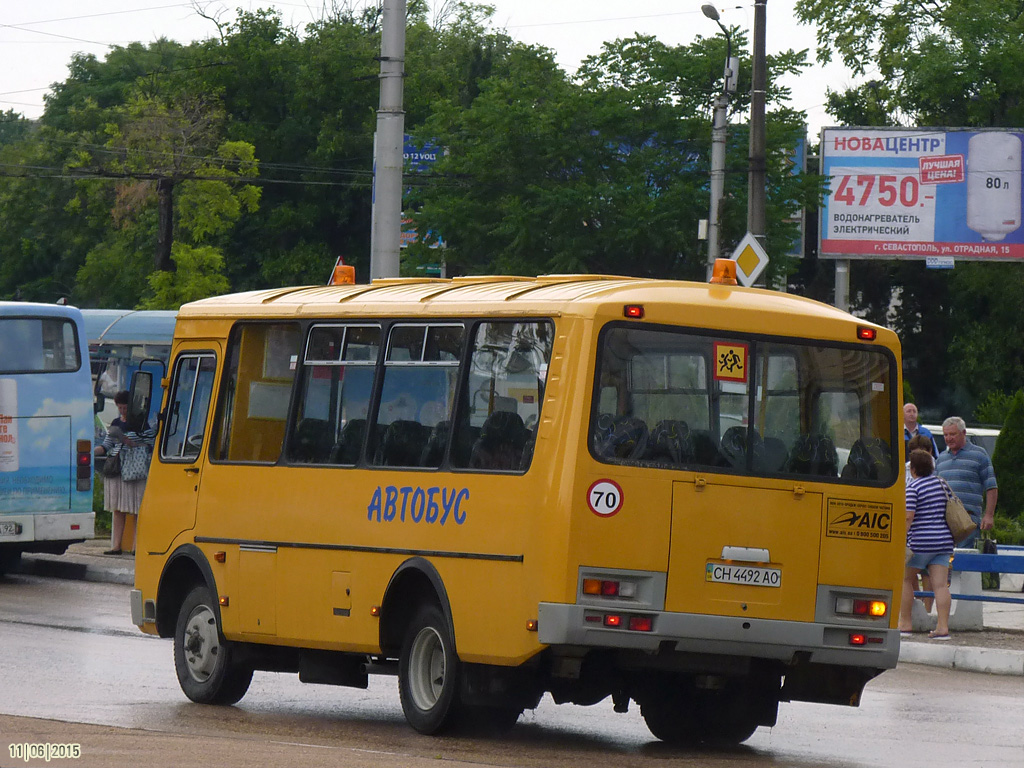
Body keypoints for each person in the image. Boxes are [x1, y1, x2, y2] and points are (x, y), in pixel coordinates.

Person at [899, 449, 954, 640]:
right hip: (943, 542)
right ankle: (942, 628)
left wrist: (901, 539)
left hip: (920, 543)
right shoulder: (941, 484)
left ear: (913, 469)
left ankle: (905, 624)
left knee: (904, 580)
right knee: (940, 585)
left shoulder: (913, 488)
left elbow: (908, 516)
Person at [93, 390, 154, 555]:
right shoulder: (115, 422)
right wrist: (91, 452)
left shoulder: (141, 423)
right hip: (117, 468)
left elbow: (150, 444)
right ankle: (116, 545)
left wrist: (130, 442)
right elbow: (106, 445)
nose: (122, 411)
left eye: (125, 407)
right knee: (118, 509)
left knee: (136, 509)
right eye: (120, 407)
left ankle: (135, 546)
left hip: (134, 470)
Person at [935, 416, 997, 549]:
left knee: (965, 561)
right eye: (945, 434)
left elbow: (991, 486)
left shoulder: (979, 454)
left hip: (968, 520)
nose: (948, 438)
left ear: (963, 433)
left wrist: (989, 515)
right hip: (943, 522)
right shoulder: (941, 458)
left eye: (952, 434)